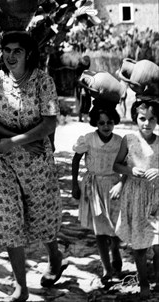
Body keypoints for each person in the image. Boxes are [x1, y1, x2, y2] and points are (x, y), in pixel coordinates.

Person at [0, 31, 66, 302]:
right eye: (6, 50)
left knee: (41, 216)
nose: (10, 56)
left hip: (37, 161)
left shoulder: (44, 81)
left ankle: (55, 256)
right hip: (6, 161)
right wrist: (13, 142)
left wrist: (18, 140)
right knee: (9, 221)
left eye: (16, 51)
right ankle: (21, 287)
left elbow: (50, 123)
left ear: (28, 53)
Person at [71, 102, 123, 285]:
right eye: (102, 123)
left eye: (109, 122)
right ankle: (106, 268)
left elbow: (126, 164)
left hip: (114, 187)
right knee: (100, 230)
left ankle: (115, 248)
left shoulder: (119, 142)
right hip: (94, 188)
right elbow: (76, 160)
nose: (106, 127)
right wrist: (74, 184)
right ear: (96, 124)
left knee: (116, 225)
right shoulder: (88, 139)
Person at [114, 99, 159, 300]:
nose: (146, 123)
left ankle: (157, 277)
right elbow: (116, 165)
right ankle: (143, 282)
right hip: (136, 197)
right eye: (142, 118)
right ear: (135, 119)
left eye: (151, 119)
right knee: (140, 244)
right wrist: (130, 170)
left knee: (158, 244)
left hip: (157, 198)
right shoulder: (129, 140)